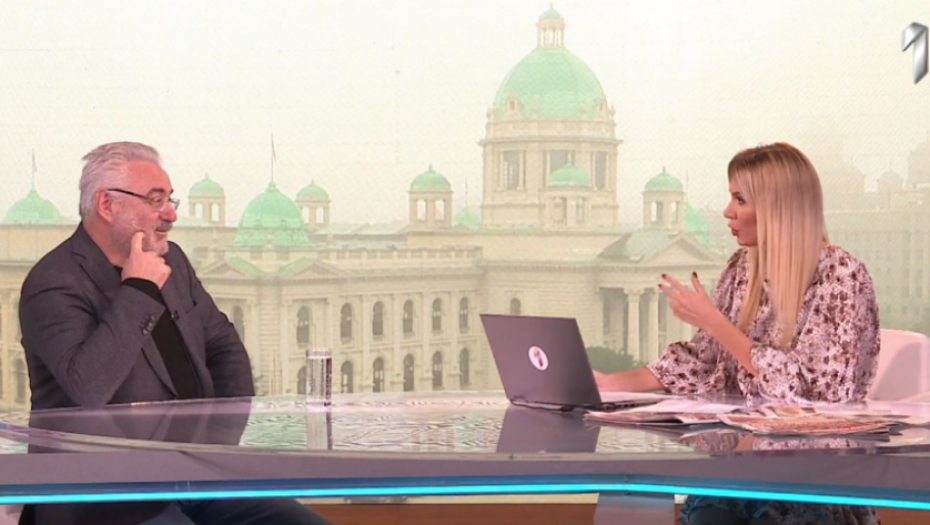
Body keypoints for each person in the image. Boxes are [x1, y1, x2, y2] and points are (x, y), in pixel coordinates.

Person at [18, 142, 334, 525]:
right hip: (103, 494)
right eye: (155, 200)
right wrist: (139, 288)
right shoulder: (54, 282)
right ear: (107, 204)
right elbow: (88, 387)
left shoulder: (174, 261)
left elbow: (225, 350)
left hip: (194, 479)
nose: (170, 214)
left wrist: (213, 450)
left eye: (170, 200)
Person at [594, 143, 881, 525]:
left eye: (740, 199)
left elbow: (817, 397)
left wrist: (716, 323)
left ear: (778, 207)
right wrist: (612, 384)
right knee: (697, 507)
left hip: (813, 480)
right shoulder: (741, 269)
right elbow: (705, 362)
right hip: (741, 464)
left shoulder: (842, 276)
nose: (728, 211)